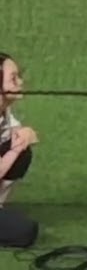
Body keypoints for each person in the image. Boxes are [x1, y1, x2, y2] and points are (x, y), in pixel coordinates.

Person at [0, 54, 39, 248]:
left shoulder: (3, 111)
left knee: (22, 153)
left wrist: (24, 134)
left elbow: (15, 133)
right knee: (25, 232)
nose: (20, 82)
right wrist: (16, 148)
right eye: (13, 78)